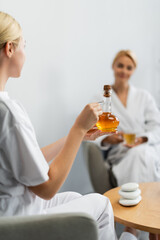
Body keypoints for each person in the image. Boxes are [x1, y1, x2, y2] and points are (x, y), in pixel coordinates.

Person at [0, 11, 139, 240]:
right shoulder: (8, 113)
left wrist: (78, 136)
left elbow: (30, 158)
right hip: (18, 221)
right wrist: (78, 129)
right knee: (102, 204)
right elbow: (47, 189)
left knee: (75, 197)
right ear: (10, 48)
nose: (26, 53)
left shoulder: (6, 108)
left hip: (14, 207)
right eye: (24, 45)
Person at [96, 50, 160, 186]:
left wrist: (142, 138)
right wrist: (108, 138)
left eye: (129, 67)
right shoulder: (100, 99)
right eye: (120, 65)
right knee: (138, 155)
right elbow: (90, 130)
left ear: (133, 70)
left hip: (145, 147)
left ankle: (142, 201)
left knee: (141, 154)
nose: (124, 71)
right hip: (120, 152)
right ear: (113, 66)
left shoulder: (144, 96)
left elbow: (157, 126)